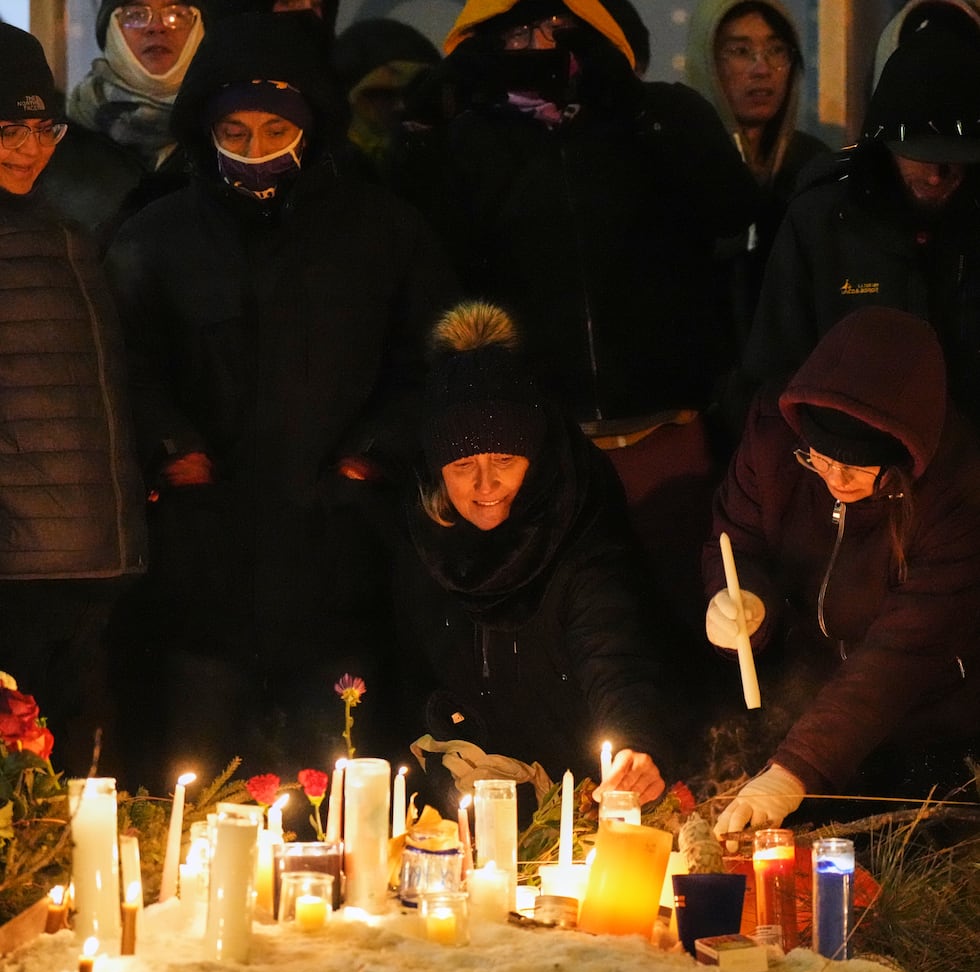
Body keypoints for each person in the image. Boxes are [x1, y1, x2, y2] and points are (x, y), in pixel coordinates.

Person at [103, 11, 459, 786]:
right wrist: (175, 451)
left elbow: (428, 362)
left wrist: (370, 459)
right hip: (202, 560)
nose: (256, 153)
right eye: (235, 131)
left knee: (339, 784)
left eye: (274, 131)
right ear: (206, 130)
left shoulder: (384, 234)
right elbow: (126, 361)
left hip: (340, 556)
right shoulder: (154, 237)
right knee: (196, 784)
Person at [389, 0, 760, 633]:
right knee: (570, 633)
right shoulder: (462, 148)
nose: (537, 45)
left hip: (667, 433)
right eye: (515, 33)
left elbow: (733, 211)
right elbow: (429, 286)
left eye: (556, 28)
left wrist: (639, 109)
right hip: (539, 451)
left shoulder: (655, 123)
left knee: (695, 626)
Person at [380, 300, 686, 817]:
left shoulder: (580, 538)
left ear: (536, 457)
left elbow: (616, 657)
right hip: (468, 803)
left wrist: (636, 744)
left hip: (584, 801)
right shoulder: (423, 543)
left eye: (504, 459)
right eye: (462, 465)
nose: (484, 486)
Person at [703, 307, 980, 842]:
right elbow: (737, 534)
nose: (832, 478)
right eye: (818, 460)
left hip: (925, 718)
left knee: (890, 845)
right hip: (809, 700)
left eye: (852, 468)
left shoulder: (956, 495)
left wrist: (795, 770)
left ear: (901, 459)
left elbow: (899, 656)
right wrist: (740, 599)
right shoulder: (773, 438)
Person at [0, 25, 148, 778]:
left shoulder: (64, 233)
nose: (29, 148)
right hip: (17, 574)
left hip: (89, 564)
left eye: (42, 127)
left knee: (86, 795)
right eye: (5, 128)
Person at [736, 24, 980, 436]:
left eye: (955, 159)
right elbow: (775, 369)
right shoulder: (824, 220)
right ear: (884, 145)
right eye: (920, 156)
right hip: (847, 469)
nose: (938, 176)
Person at [685, 0, 828, 351]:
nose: (762, 68)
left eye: (777, 50)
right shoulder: (677, 161)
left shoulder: (814, 166)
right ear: (707, 59)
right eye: (740, 50)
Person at [40, 0, 211, 244]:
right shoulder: (52, 142)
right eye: (136, 14)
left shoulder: (229, 137)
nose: (156, 27)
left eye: (176, 14)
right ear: (111, 31)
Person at [331, 18, 441, 181]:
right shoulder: (330, 175)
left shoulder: (451, 161)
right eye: (383, 94)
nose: (400, 106)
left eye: (414, 92)